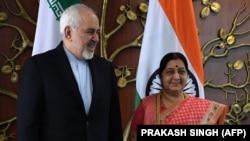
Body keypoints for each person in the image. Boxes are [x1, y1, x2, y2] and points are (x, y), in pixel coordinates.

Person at [17, 3, 123, 141]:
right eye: (90, 32)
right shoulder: (39, 67)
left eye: (97, 31)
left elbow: (114, 123)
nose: (96, 38)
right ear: (68, 33)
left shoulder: (105, 69)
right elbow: (27, 126)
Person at [128, 52, 228, 141]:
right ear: (160, 76)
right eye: (170, 72)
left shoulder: (203, 109)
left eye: (181, 71)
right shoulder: (146, 107)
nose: (176, 77)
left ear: (187, 75)